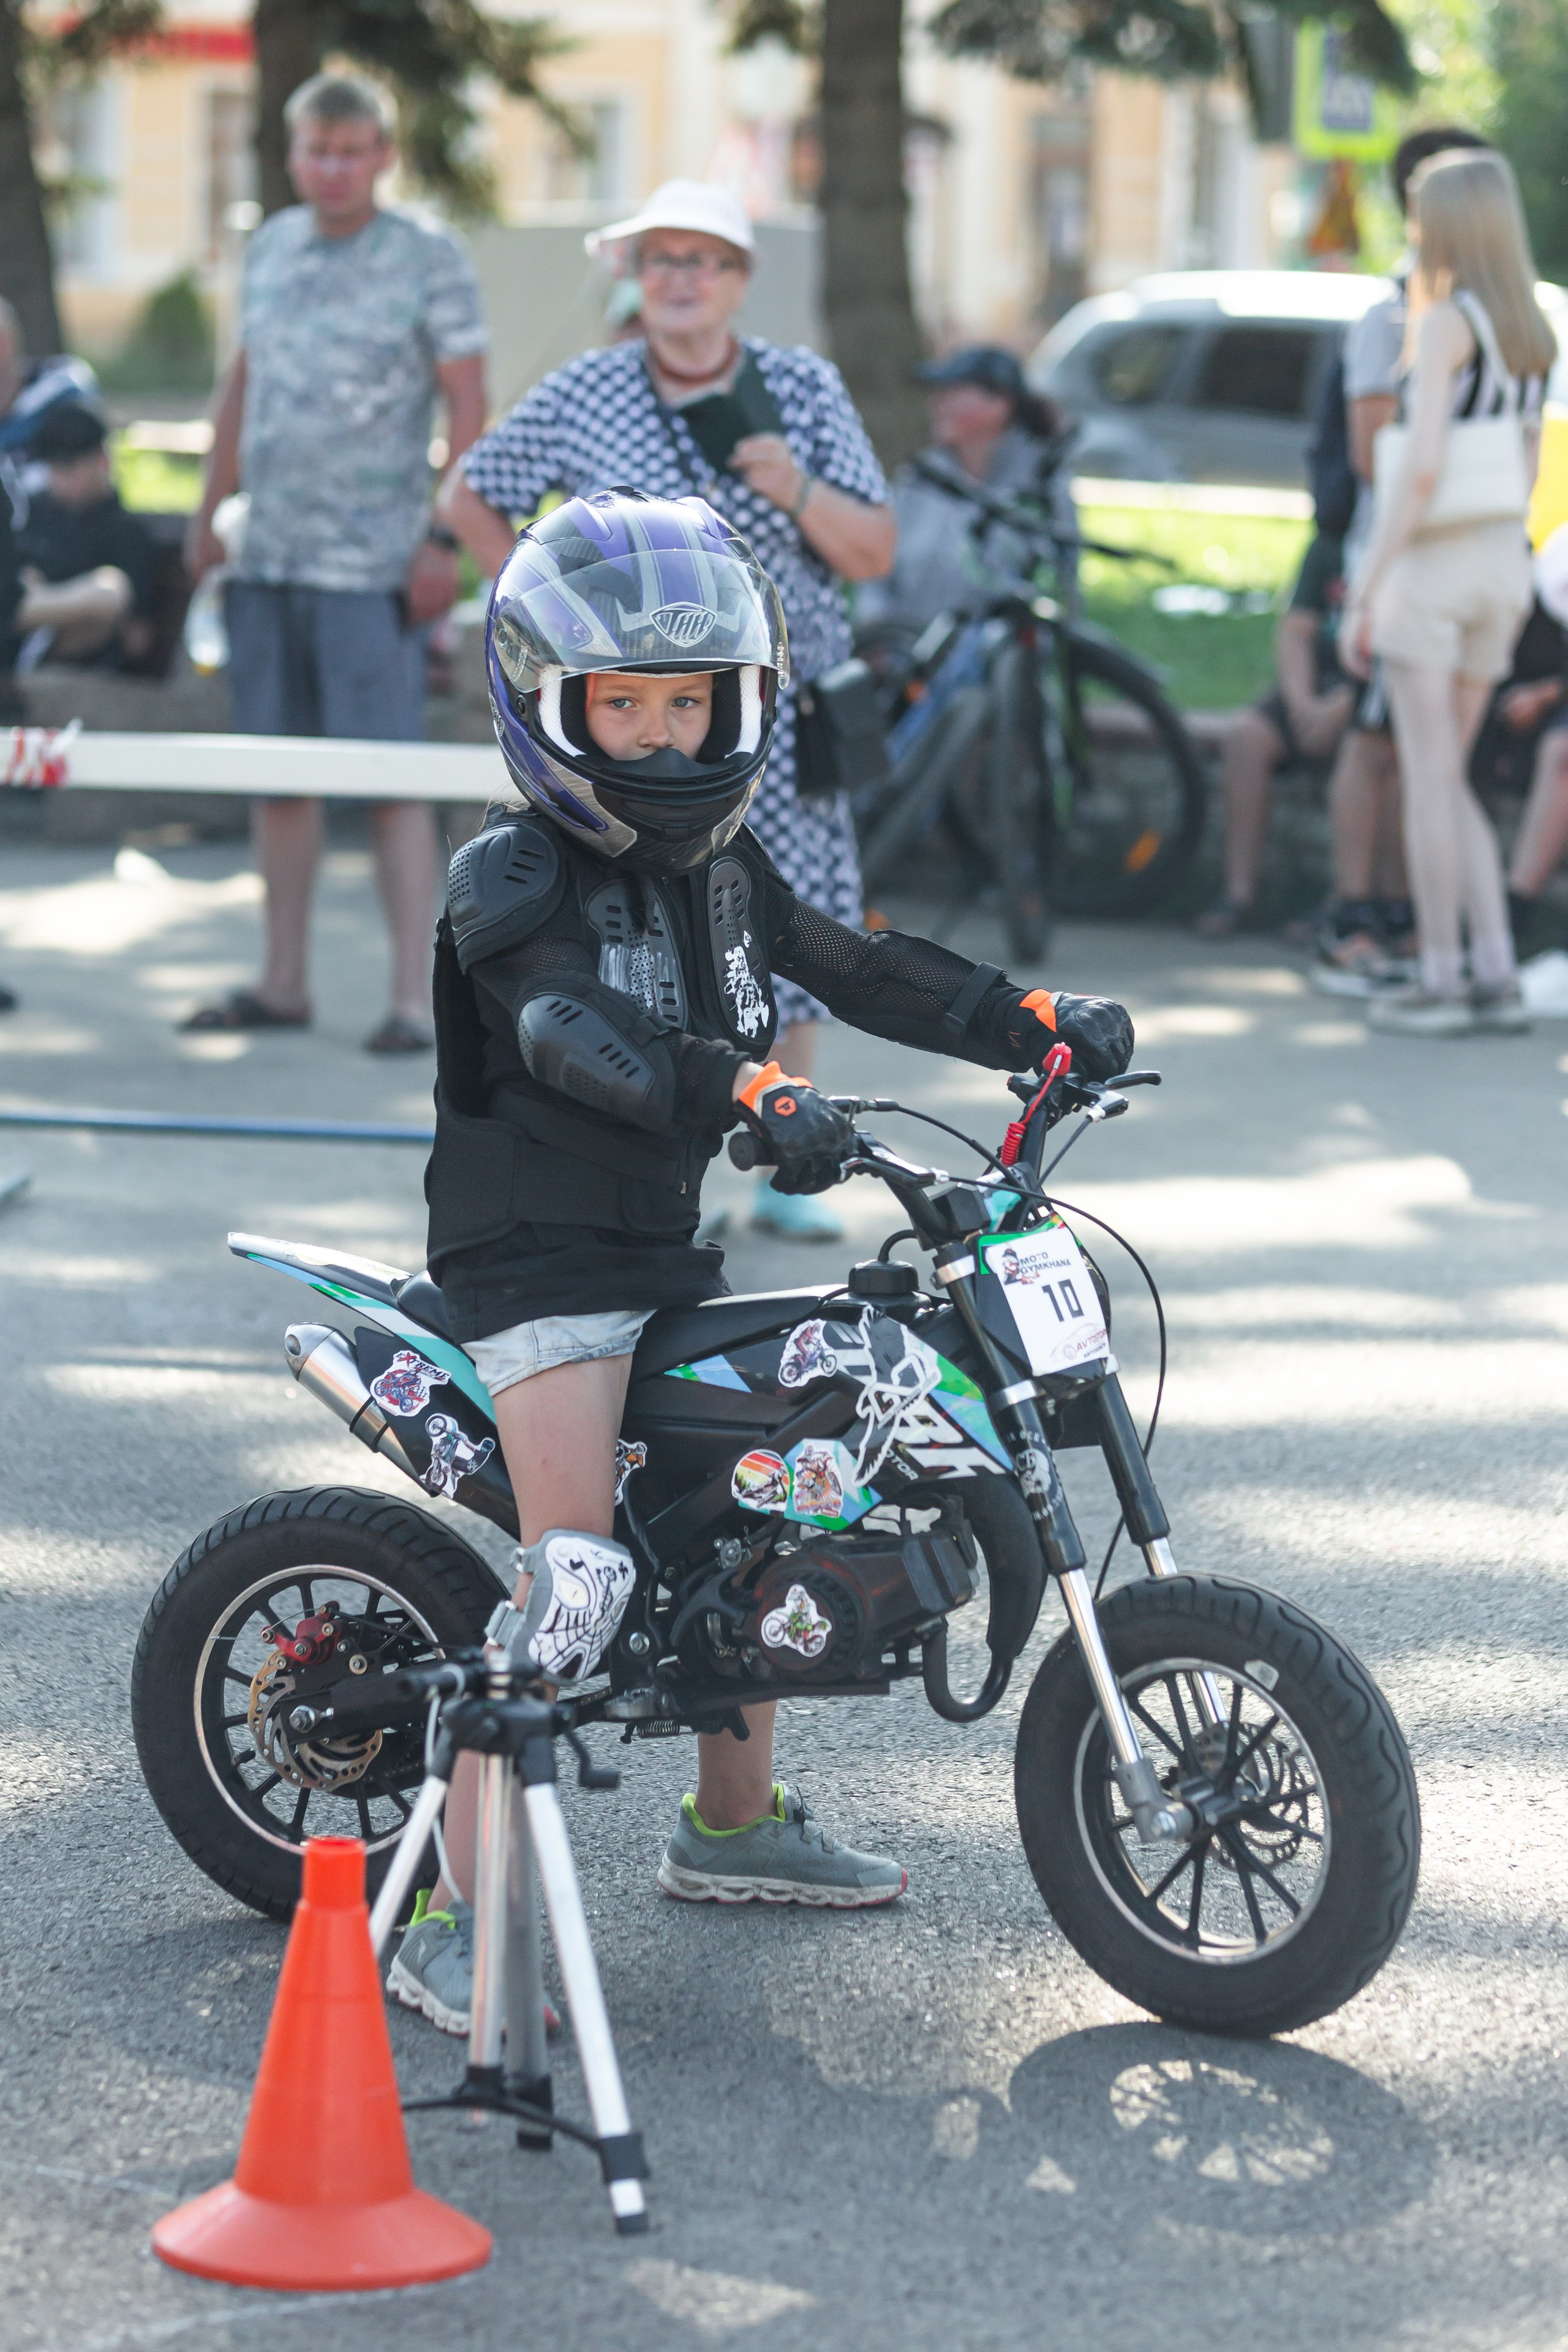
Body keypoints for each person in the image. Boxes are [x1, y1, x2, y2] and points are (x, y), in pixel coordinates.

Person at [385, 486, 1135, 2031]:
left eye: (685, 702)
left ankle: (730, 1826)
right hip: (535, 1271)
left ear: (737, 703)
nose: (660, 736)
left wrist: (1028, 1022)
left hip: (658, 1249)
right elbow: (567, 1029)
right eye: (625, 705)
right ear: (550, 707)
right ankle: (444, 1907)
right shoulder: (508, 877)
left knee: (770, 1502)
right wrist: (736, 1087)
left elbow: (859, 966)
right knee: (577, 1572)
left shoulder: (728, 873)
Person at [438, 178, 894, 1238]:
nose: (681, 281)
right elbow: (469, 493)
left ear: (739, 281)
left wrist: (793, 489)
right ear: (634, 279)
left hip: (765, 715)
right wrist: (543, 617)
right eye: (661, 261)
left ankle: (788, 1168)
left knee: (786, 915)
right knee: (627, 915)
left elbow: (873, 548)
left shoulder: (804, 389)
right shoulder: (584, 388)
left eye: (704, 261)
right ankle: (661, 1163)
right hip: (625, 717)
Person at [181, 70, 488, 1054]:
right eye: (318, 149)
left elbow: (470, 402)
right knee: (279, 779)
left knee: (389, 779)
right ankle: (283, 984)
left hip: (375, 567)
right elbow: (242, 384)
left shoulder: (426, 257)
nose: (334, 168)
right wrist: (206, 507)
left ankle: (411, 999)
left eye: (353, 151)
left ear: (382, 157)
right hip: (267, 555)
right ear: (293, 153)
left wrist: (444, 537)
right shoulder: (269, 246)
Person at [1343, 148, 1557, 1036]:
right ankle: (1496, 970)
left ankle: (1439, 976)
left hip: (1432, 563)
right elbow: (1533, 462)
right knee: (1453, 776)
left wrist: (1370, 583)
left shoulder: (1442, 325)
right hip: (1503, 563)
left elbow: (1418, 470)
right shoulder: (1533, 326)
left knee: (1430, 776)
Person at [853, 344, 1072, 643]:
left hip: (1008, 660)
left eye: (952, 393)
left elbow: (1060, 583)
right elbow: (877, 564)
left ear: (999, 404)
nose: (937, 405)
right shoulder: (920, 478)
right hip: (909, 657)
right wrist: (875, 631)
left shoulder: (1041, 482)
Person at [1196, 532, 1357, 936]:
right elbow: (1295, 631)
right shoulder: (1331, 541)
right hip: (1314, 684)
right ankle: (1239, 896)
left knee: (1367, 754)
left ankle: (1346, 905)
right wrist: (1303, 707)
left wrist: (1343, 706)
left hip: (1366, 693)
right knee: (1246, 736)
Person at [14, 405, 159, 669]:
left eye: (68, 468)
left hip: (74, 649)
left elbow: (137, 636)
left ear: (102, 461)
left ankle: (14, 615)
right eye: (52, 469)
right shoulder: (34, 512)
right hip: (24, 631)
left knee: (109, 589)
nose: (58, 480)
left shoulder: (126, 530)